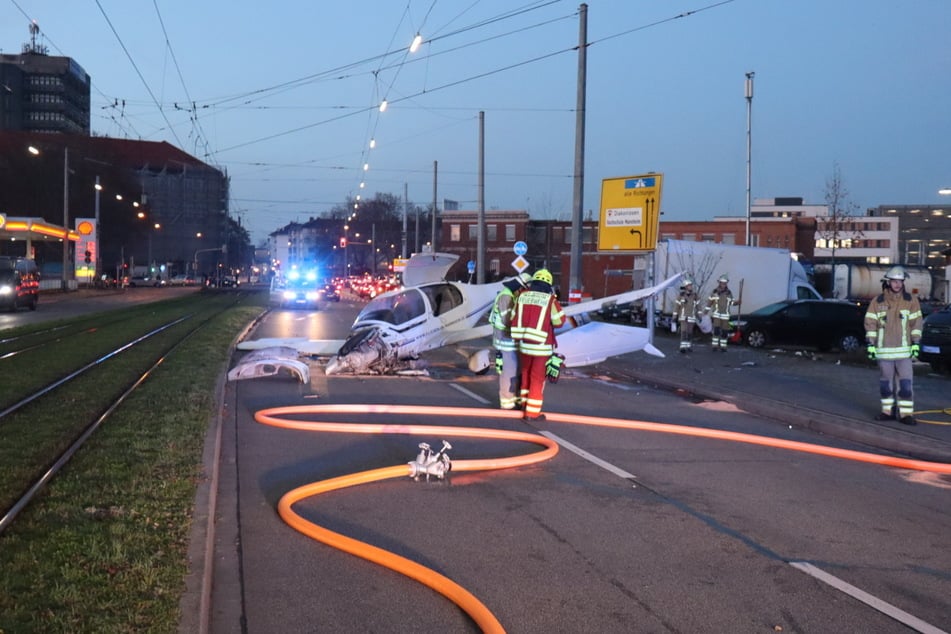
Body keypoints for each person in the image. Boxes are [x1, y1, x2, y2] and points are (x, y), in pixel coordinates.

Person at [865, 265, 923, 425]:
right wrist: (871, 344)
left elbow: (916, 323)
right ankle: (887, 412)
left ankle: (906, 415)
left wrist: (916, 343)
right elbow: (870, 323)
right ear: (888, 282)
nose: (897, 284)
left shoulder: (911, 301)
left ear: (903, 282)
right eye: (894, 281)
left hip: (904, 353)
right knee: (886, 386)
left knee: (905, 385)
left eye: (900, 281)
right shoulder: (878, 302)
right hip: (884, 352)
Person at [510, 268, 565, 421]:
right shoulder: (550, 300)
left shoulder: (522, 296)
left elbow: (513, 316)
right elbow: (559, 322)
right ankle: (532, 413)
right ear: (549, 285)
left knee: (526, 373)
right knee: (537, 378)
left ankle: (523, 405)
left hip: (524, 344)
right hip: (541, 346)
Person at [489, 272, 532, 409]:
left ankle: (515, 398)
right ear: (521, 287)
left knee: (516, 370)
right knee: (509, 372)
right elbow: (508, 320)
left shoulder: (510, 294)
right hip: (505, 340)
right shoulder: (506, 296)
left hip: (509, 339)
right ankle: (507, 403)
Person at [705, 274, 734, 351]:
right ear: (719, 283)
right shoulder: (714, 292)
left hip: (725, 316)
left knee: (725, 332)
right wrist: (705, 312)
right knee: (716, 331)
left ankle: (723, 347)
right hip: (717, 315)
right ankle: (715, 346)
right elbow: (709, 302)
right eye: (722, 283)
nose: (724, 284)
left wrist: (737, 303)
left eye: (725, 283)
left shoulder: (729, 293)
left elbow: (731, 302)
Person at [674, 276, 699, 353]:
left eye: (691, 285)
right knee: (683, 331)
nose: (691, 287)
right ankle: (682, 347)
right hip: (683, 317)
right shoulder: (681, 296)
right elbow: (676, 307)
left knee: (689, 332)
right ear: (685, 287)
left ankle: (688, 346)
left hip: (691, 317)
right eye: (689, 285)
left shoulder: (695, 296)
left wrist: (700, 315)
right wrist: (674, 316)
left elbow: (699, 306)